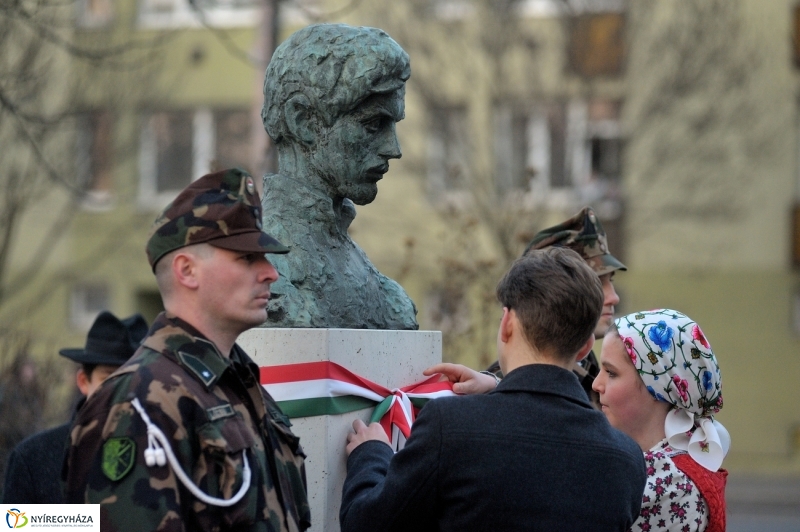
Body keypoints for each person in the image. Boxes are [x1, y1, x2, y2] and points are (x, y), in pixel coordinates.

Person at [63, 168, 310, 532]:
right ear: (187, 271)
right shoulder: (137, 402)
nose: (271, 272)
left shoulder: (241, 387)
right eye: (247, 258)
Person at [340, 248, 646, 532]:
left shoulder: (450, 427)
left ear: (507, 323)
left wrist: (370, 455)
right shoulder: (626, 459)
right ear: (585, 347)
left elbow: (366, 523)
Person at [260, 23, 418, 330]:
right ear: (302, 121)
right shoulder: (261, 273)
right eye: (373, 124)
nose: (393, 149)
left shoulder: (386, 294)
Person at [432, 206, 625, 405]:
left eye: (611, 281)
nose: (614, 297)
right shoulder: (500, 384)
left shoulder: (594, 368)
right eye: (597, 283)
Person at [592, 309, 729, 532]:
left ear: (657, 388)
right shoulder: (659, 466)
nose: (596, 384)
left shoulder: (670, 484)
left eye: (611, 372)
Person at [2, 311, 146, 503]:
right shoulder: (34, 458)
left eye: (133, 378)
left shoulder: (173, 451)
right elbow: (17, 523)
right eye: (109, 378)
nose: (123, 389)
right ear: (83, 381)